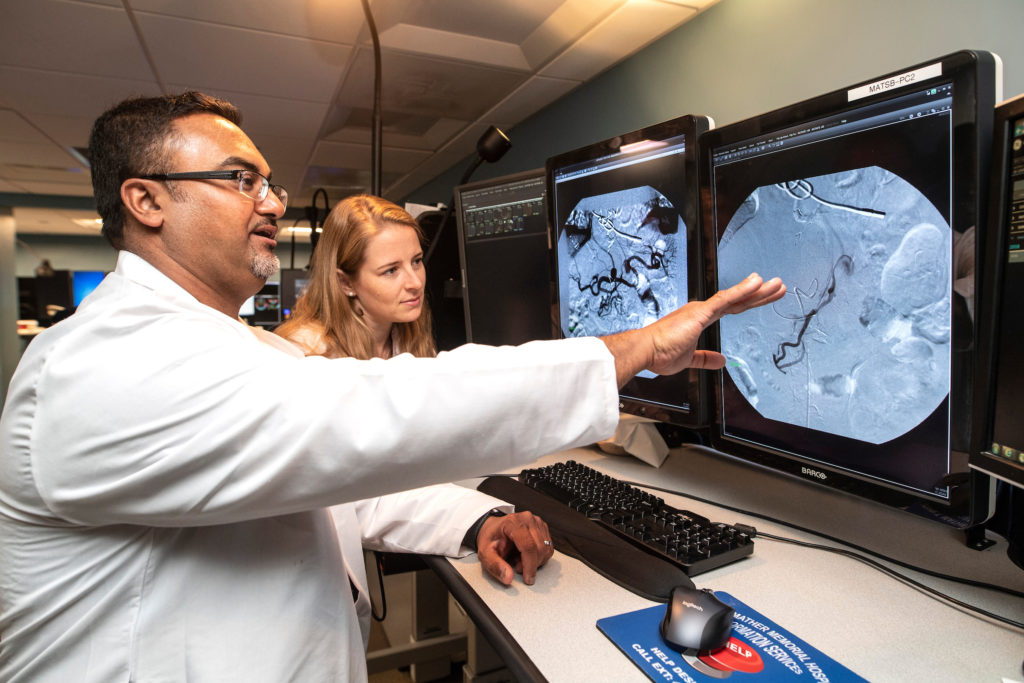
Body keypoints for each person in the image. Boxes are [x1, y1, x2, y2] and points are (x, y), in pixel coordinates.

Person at [0, 91, 785, 682]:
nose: (272, 201)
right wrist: (637, 344)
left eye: (270, 181)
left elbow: (335, 484)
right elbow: (371, 419)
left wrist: (479, 519)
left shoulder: (218, 347)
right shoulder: (101, 366)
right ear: (145, 200)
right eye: (242, 179)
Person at [276, 193, 553, 591]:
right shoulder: (309, 358)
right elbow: (360, 497)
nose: (414, 282)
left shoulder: (404, 337)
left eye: (417, 261)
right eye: (390, 270)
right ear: (345, 282)